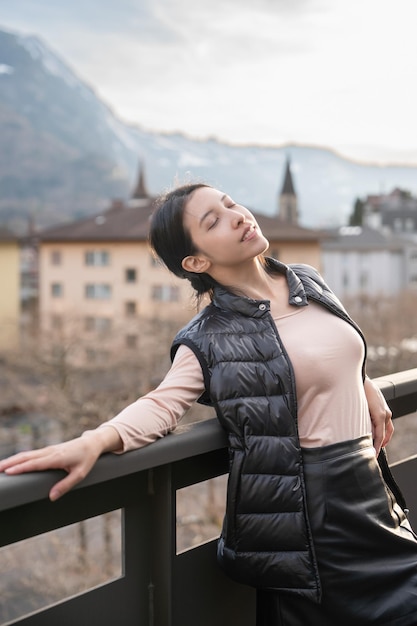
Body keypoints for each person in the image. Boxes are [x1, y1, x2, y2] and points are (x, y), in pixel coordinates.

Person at [1, 183, 416, 626]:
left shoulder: (306, 280)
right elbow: (162, 404)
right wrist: (96, 439)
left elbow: (330, 349)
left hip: (371, 492)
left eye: (230, 203)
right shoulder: (208, 337)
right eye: (213, 221)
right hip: (310, 518)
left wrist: (363, 380)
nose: (237, 215)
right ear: (196, 262)